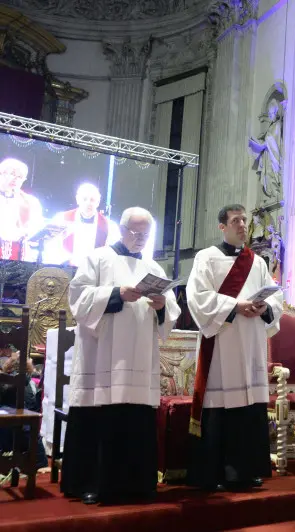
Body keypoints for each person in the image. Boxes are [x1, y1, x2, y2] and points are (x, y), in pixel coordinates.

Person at [62, 207, 180, 504]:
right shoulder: (97, 257)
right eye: (135, 233)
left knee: (136, 420)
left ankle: (138, 485)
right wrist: (115, 294)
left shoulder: (154, 267)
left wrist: (161, 305)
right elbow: (78, 298)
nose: (140, 239)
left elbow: (172, 313)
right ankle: (93, 483)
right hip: (102, 355)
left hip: (140, 356)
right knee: (102, 418)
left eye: (146, 235)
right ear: (122, 229)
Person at [185, 204, 284, 491]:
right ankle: (215, 473)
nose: (242, 225)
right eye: (235, 220)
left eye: (244, 220)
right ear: (222, 227)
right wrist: (236, 305)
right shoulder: (207, 257)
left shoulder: (258, 262)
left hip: (251, 340)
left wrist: (264, 307)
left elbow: (275, 298)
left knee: (249, 407)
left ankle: (245, 471)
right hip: (222, 341)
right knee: (221, 407)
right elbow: (197, 298)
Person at [46, 183, 121, 266]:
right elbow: (51, 246)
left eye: (92, 200)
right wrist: (67, 259)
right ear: (78, 200)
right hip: (66, 268)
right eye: (84, 199)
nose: (88, 203)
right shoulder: (61, 219)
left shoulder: (110, 226)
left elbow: (113, 252)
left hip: (95, 271)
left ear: (98, 202)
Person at [0, 158, 44, 261]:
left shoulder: (31, 202)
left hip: (19, 259)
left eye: (20, 176)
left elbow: (36, 229)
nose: (15, 179)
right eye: (12, 174)